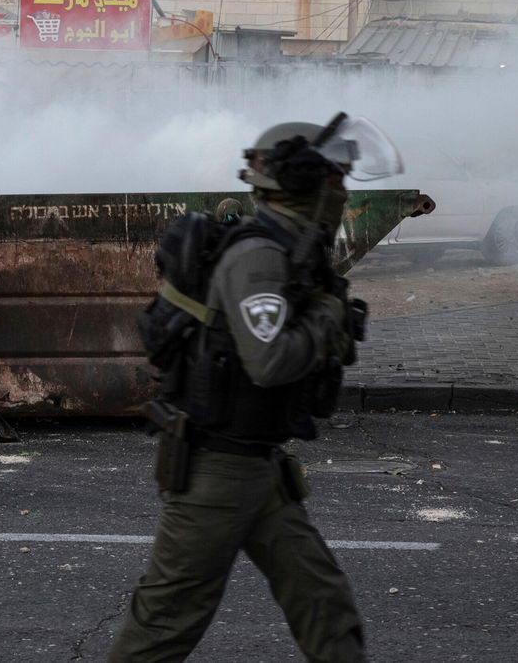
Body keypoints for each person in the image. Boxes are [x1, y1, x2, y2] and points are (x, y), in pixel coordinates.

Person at [109, 115, 397, 663]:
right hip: (215, 472)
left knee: (323, 602)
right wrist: (328, 317)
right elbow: (268, 362)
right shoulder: (259, 256)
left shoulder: (291, 247)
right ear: (302, 182)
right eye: (336, 178)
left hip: (259, 468)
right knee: (166, 624)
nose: (342, 191)